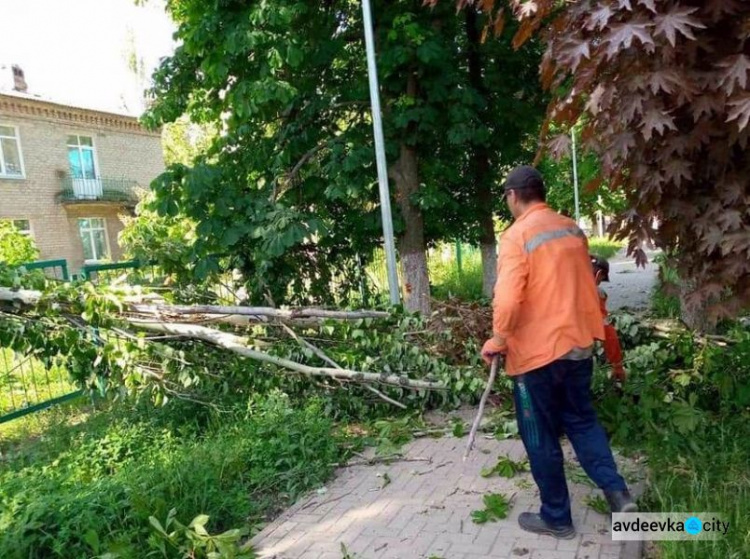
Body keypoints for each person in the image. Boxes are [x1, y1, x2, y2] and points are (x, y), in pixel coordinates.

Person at [481, 165, 637, 540]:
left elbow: (507, 296)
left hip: (536, 357)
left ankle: (557, 517)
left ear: (513, 196)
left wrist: (498, 340)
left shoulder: (517, 235)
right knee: (582, 422)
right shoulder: (571, 229)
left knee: (540, 435)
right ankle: (619, 497)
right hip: (578, 346)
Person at [590, 255, 626, 382]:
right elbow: (606, 331)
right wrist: (617, 365)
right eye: (600, 280)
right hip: (569, 354)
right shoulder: (594, 294)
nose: (599, 284)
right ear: (598, 274)